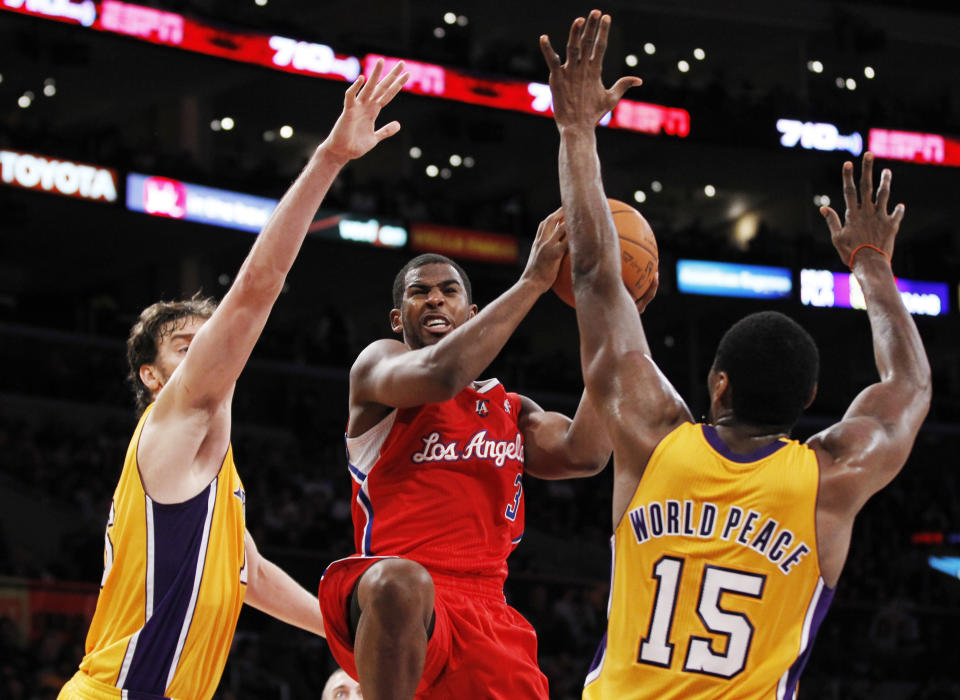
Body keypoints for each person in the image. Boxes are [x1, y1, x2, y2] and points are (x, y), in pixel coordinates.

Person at [541, 10, 931, 699]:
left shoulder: (653, 437)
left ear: (717, 386)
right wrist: (871, 265)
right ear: (808, 403)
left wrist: (577, 132)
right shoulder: (833, 478)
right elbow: (909, 384)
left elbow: (598, 277)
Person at [58, 60, 410, 700]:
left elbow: (249, 573)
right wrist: (329, 159)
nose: (204, 356)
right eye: (184, 349)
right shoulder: (173, 421)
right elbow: (255, 291)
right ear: (153, 377)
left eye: (205, 344)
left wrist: (352, 646)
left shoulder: (209, 472)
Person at [318, 223, 615, 699]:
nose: (434, 299)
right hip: (397, 595)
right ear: (398, 319)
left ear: (472, 313)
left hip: (488, 607)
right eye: (420, 292)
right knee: (400, 580)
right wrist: (532, 282)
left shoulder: (513, 410)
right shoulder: (378, 368)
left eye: (448, 291)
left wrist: (617, 317)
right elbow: (442, 374)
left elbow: (587, 453)